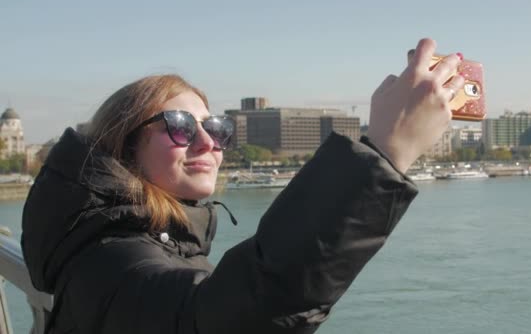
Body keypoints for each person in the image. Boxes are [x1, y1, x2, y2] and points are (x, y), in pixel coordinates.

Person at [21, 38, 465, 333]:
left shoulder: (100, 237)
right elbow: (245, 306)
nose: (208, 142)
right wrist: (385, 153)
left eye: (216, 127)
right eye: (178, 126)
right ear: (124, 145)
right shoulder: (120, 261)